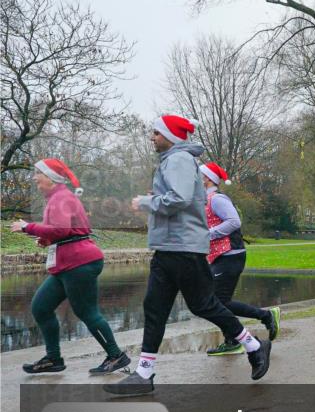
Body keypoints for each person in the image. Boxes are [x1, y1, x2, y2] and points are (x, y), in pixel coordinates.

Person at [105, 115, 272, 396]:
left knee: (204, 305)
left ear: (171, 135)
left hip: (183, 248)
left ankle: (254, 345)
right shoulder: (174, 160)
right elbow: (179, 196)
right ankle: (144, 373)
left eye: (156, 132)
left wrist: (146, 202)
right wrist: (156, 195)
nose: (151, 137)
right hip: (170, 247)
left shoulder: (178, 159)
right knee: (154, 308)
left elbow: (180, 199)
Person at [10, 159, 130, 375]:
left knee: (87, 312)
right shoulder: (58, 198)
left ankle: (116, 355)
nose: (35, 178)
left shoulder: (62, 198)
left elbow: (62, 230)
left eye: (39, 174)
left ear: (51, 178)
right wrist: (45, 239)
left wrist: (28, 227)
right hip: (68, 264)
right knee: (41, 307)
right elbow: (63, 231)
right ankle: (53, 359)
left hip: (79, 263)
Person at [199, 162, 279, 356]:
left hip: (231, 255)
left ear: (208, 179)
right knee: (216, 301)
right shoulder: (205, 199)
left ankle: (265, 317)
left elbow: (234, 221)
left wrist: (209, 234)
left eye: (197, 175)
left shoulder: (217, 199)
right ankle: (232, 339)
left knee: (217, 302)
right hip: (219, 257)